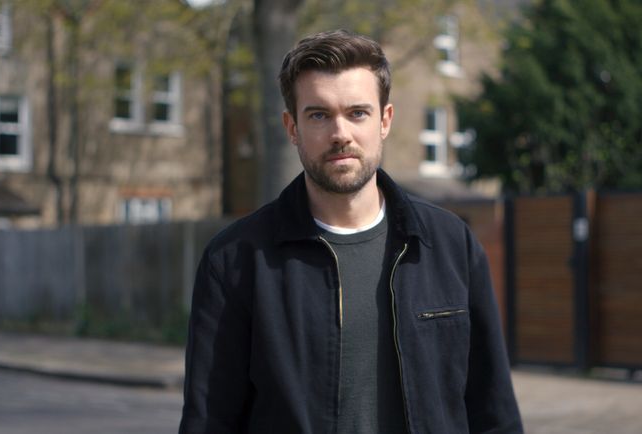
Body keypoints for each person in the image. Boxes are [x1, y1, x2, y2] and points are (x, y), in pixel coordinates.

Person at [179, 29, 522, 434]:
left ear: (385, 120)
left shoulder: (449, 245)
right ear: (292, 128)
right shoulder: (236, 260)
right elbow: (208, 421)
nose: (340, 133)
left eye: (357, 112)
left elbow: (492, 408)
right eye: (319, 115)